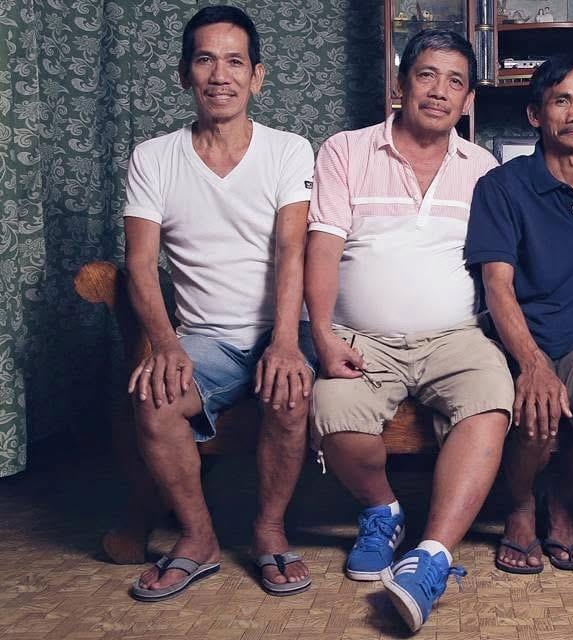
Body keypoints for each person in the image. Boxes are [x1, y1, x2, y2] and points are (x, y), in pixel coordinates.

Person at [304, 30, 514, 633]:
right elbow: (322, 248)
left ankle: (432, 556)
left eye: (454, 81)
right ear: (401, 83)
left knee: (491, 402)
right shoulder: (346, 150)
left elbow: (495, 268)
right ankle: (382, 511)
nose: (439, 91)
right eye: (426, 75)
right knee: (334, 414)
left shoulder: (484, 169)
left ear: (468, 98)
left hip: (456, 336)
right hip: (362, 336)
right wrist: (320, 332)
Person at [123, 5, 316, 601]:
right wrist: (165, 344)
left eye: (235, 61)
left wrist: (285, 341)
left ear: (257, 76)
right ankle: (199, 537)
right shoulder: (153, 157)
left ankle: (269, 529)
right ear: (185, 74)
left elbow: (291, 251)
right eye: (205, 59)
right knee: (155, 400)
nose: (220, 74)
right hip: (202, 338)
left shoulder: (288, 150)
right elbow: (138, 264)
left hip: (280, 325)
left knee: (289, 389)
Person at [465, 54, 573, 575]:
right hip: (518, 339)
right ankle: (520, 507)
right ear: (535, 114)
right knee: (537, 419)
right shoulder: (502, 185)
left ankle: (559, 497)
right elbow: (497, 286)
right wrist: (534, 364)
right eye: (562, 100)